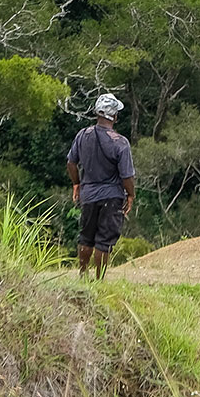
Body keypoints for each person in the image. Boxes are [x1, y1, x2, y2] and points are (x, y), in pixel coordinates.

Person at [67, 93, 136, 279]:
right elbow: (127, 176)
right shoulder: (120, 142)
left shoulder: (83, 135)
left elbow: (71, 163)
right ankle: (100, 280)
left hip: (87, 195)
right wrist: (131, 195)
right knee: (104, 241)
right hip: (112, 197)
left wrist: (76, 184)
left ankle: (82, 275)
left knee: (86, 236)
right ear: (114, 116)